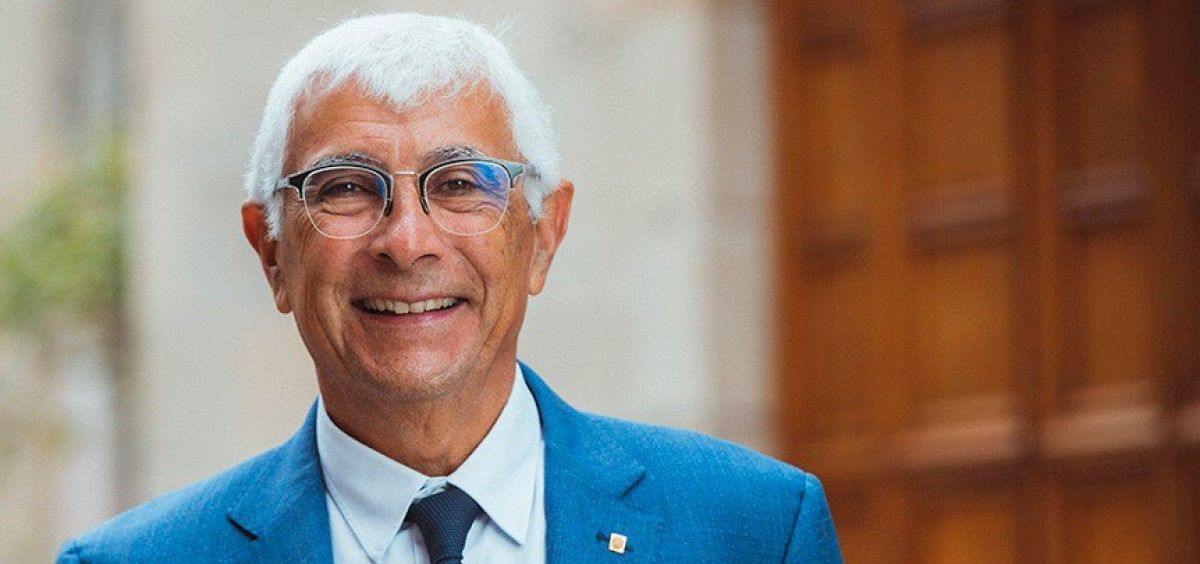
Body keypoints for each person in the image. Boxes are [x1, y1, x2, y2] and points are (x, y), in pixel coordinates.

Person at [57, 12, 841, 564]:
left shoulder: (754, 531)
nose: (407, 242)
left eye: (462, 183)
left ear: (544, 235)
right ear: (271, 253)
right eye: (346, 188)